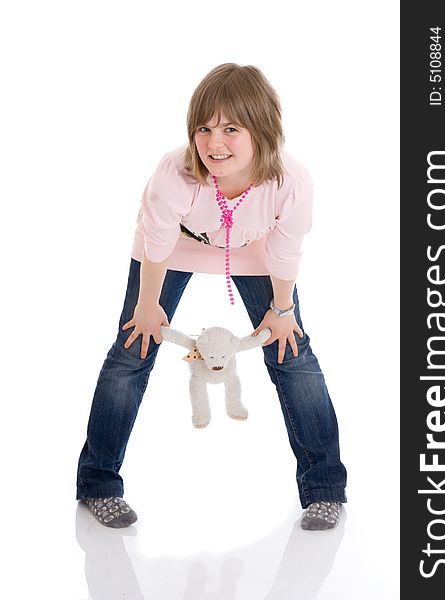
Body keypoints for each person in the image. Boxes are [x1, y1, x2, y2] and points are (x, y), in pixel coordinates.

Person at [76, 63, 347, 530]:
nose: (213, 143)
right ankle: (98, 482)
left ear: (262, 130)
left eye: (230, 129)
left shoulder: (290, 182)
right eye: (203, 128)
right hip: (174, 248)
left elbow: (286, 248)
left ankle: (324, 488)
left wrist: (282, 311)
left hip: (254, 249)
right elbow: (157, 241)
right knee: (132, 350)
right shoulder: (175, 174)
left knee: (292, 351)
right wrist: (147, 306)